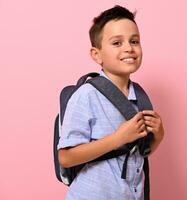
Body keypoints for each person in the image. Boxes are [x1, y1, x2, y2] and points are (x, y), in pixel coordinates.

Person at [57, 5, 165, 200]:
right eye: (117, 43)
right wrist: (118, 138)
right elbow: (66, 158)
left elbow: (139, 152)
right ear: (96, 54)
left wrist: (157, 137)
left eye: (134, 41)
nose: (128, 48)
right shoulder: (86, 95)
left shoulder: (139, 96)